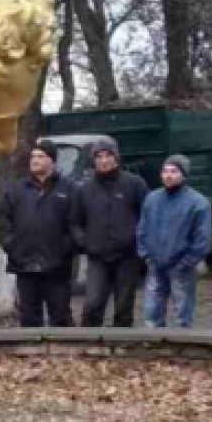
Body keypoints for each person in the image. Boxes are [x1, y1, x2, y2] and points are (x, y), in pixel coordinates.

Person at [0, 139, 78, 327]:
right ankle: (30, 355)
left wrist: (65, 249)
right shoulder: (16, 189)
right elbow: (3, 220)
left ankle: (61, 355)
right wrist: (11, 244)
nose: (35, 160)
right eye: (33, 156)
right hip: (24, 264)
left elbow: (75, 223)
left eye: (41, 156)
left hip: (57, 266)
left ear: (53, 161)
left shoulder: (69, 189)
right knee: (29, 317)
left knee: (60, 317)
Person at [69, 138, 149, 327]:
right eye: (99, 156)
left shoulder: (134, 184)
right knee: (93, 303)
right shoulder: (84, 189)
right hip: (97, 257)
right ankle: (87, 348)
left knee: (123, 307)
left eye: (108, 155)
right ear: (94, 160)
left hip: (128, 256)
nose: (104, 160)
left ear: (116, 158)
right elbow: (74, 221)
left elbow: (149, 215)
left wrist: (139, 241)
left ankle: (121, 349)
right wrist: (83, 242)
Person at [137, 154, 212, 328]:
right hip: (155, 264)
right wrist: (146, 256)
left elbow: (202, 239)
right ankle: (153, 346)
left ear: (184, 175)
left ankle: (182, 349)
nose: (168, 175)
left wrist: (186, 263)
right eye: (165, 171)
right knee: (151, 313)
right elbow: (142, 229)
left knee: (182, 315)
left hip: (181, 267)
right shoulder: (152, 199)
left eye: (174, 171)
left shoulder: (198, 203)